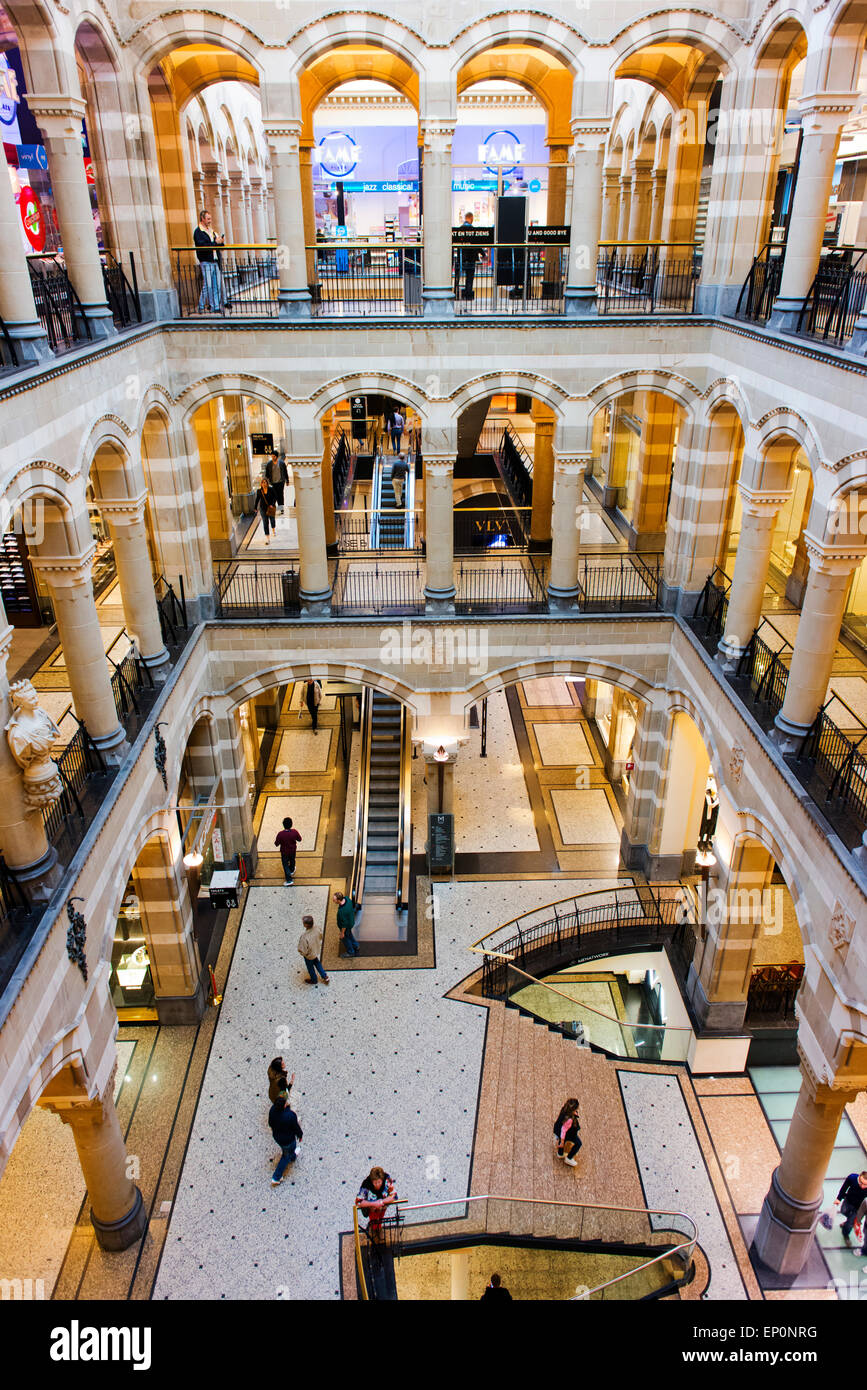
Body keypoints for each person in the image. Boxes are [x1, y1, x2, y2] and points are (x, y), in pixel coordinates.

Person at [268, 1091, 303, 1186]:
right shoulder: (290, 1115)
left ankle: (293, 1157)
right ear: (283, 1106)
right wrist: (300, 1135)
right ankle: (276, 1177)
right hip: (288, 1139)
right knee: (285, 1156)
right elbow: (296, 1127)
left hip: (277, 1137)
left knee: (288, 1150)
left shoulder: (272, 1110)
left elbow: (270, 1123)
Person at [193, 210, 224, 313]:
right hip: (206, 261)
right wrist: (215, 242)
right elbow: (203, 246)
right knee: (208, 285)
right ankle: (201, 305)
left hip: (215, 261)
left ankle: (215, 306)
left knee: (217, 285)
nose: (210, 221)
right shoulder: (198, 232)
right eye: (208, 219)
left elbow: (219, 245)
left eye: (210, 219)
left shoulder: (212, 231)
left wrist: (219, 242)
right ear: (202, 219)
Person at [356, 1167, 397, 1241]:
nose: (377, 1184)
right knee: (373, 1219)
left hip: (383, 1206)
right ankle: (374, 1229)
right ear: (371, 1181)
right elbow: (359, 1201)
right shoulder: (366, 1184)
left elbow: (393, 1195)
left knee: (381, 1217)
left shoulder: (387, 1179)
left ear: (382, 1179)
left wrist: (382, 1202)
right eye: (375, 1182)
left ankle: (379, 1227)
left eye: (379, 1182)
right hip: (372, 1208)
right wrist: (374, 1204)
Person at [453, 212, 481, 301]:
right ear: (471, 218)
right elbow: (477, 244)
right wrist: (482, 254)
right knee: (469, 277)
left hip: (461, 257)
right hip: (471, 257)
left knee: (457, 277)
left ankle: (456, 293)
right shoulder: (473, 230)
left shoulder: (459, 229)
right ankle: (468, 295)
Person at [298, 914, 330, 985]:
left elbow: (302, 950)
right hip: (316, 950)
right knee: (317, 963)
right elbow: (321, 936)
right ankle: (325, 976)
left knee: (310, 968)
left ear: (306, 925)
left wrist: (304, 954)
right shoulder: (317, 928)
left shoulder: (304, 937)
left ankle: (314, 980)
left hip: (309, 956)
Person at [836, 1170, 867, 1241]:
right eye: (861, 1183)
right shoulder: (852, 1178)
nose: (862, 1186)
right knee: (843, 1211)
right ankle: (849, 1221)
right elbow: (844, 1188)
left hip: (859, 1207)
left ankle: (846, 1234)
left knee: (850, 1223)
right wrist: (839, 1198)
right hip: (848, 1200)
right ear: (859, 1178)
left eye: (865, 1185)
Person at [553, 1098, 582, 1166]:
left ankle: (560, 1153)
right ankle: (569, 1158)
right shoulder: (569, 1120)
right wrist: (562, 1142)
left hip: (558, 1129)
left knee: (562, 1139)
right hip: (569, 1134)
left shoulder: (564, 1109)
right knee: (578, 1143)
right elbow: (564, 1130)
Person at [274, 816, 302, 885]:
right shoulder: (294, 832)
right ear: (291, 824)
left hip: (284, 852)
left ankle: (289, 880)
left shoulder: (280, 834)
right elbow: (300, 839)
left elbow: (276, 844)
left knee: (285, 864)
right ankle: (292, 870)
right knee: (292, 860)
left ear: (283, 825)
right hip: (293, 850)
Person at [333, 890, 360, 956]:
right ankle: (356, 945)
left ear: (339, 900)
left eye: (334, 899)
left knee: (345, 938)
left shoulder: (342, 911)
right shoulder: (347, 899)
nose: (333, 900)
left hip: (346, 926)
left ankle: (350, 952)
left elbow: (344, 924)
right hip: (351, 922)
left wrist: (342, 933)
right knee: (349, 934)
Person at [255, 474, 277, 546]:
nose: (264, 484)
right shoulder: (259, 491)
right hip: (263, 508)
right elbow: (257, 499)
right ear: (261, 484)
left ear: (267, 483)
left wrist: (272, 504)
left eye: (265, 482)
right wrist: (255, 507)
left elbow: (275, 497)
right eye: (263, 482)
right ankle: (267, 538)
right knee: (265, 522)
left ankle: (273, 529)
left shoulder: (271, 489)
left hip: (270, 507)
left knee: (272, 520)